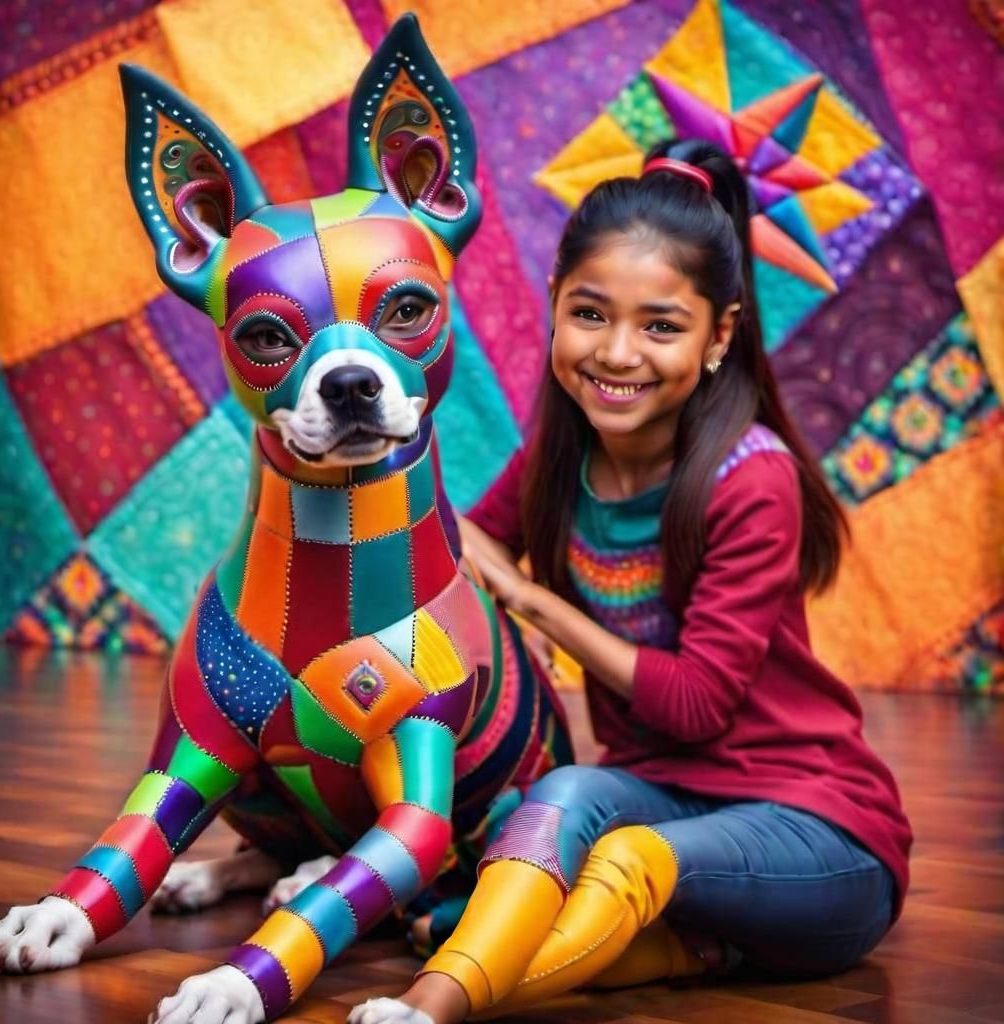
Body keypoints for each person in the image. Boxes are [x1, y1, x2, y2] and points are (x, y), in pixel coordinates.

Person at [348, 138, 913, 1024]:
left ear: (718, 335)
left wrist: (532, 601)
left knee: (630, 856)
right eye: (591, 314)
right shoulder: (560, 458)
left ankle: (430, 1008)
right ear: (554, 307)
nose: (617, 354)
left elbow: (692, 705)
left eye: (660, 324)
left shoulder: (751, 479)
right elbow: (454, 548)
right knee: (556, 799)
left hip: (817, 831)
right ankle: (686, 951)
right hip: (657, 792)